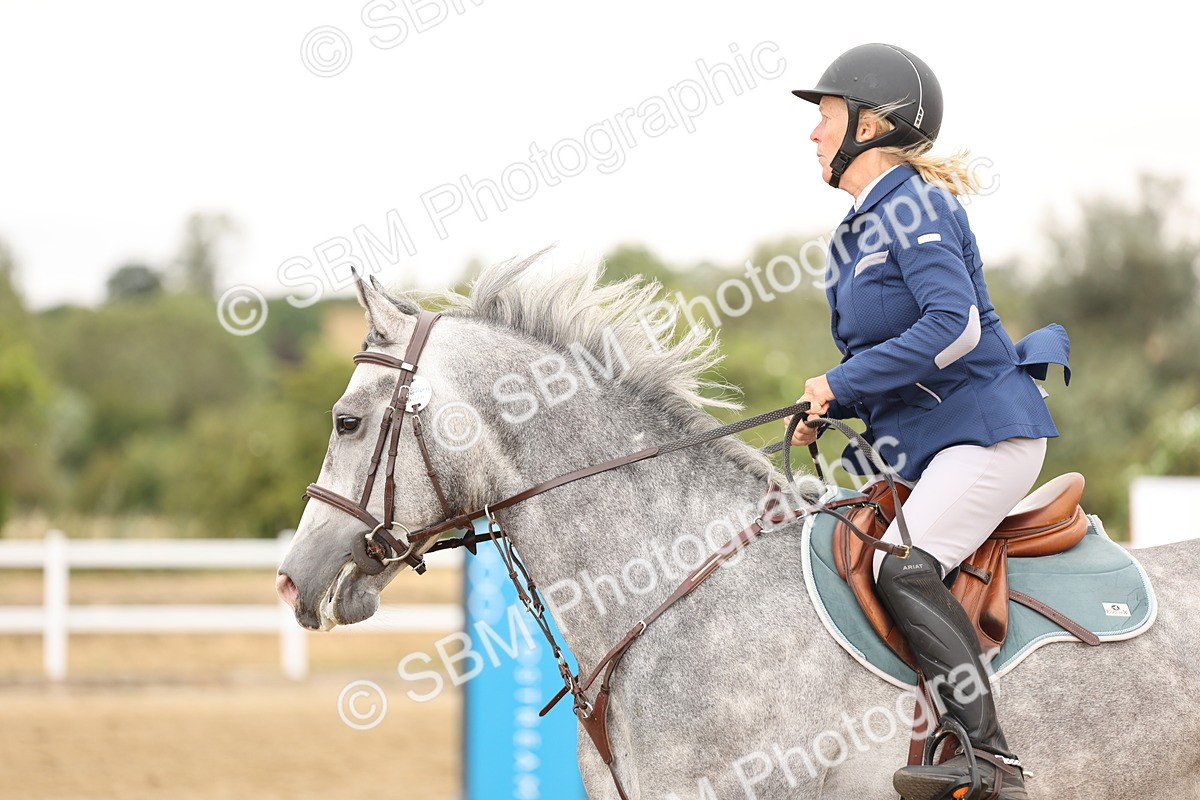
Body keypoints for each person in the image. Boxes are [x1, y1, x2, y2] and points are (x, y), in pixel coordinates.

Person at [789, 44, 1070, 800]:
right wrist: (833, 402)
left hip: (987, 434)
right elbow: (899, 351)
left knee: (897, 564)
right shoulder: (859, 230)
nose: (813, 133)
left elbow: (954, 330)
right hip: (934, 440)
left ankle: (991, 762)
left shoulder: (917, 205)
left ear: (870, 125)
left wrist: (842, 377)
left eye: (825, 116)